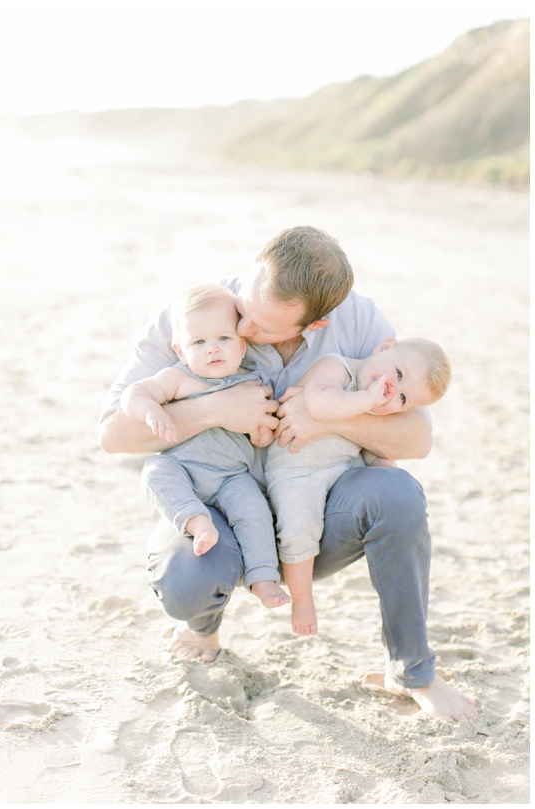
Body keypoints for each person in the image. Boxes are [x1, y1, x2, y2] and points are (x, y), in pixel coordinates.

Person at [98, 225, 476, 724]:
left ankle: (412, 672)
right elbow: (113, 435)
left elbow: (417, 440)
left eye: (263, 325)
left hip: (318, 516)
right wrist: (216, 409)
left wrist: (325, 413)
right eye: (244, 309)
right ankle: (204, 627)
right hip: (219, 509)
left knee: (398, 494)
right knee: (187, 578)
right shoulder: (198, 311)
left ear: (315, 324)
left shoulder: (358, 321)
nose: (245, 327)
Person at [118, 283, 289, 610]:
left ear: (242, 345)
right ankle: (197, 522)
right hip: (184, 469)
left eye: (223, 339)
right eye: (199, 342)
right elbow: (133, 394)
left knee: (254, 511)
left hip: (231, 477)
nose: (213, 349)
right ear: (181, 350)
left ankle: (263, 578)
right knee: (155, 472)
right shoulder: (179, 378)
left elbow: (265, 433)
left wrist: (261, 433)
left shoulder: (252, 382)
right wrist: (151, 409)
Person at [265, 337, 451, 635]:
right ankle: (302, 599)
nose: (392, 390)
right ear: (383, 347)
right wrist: (368, 400)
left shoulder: (377, 402)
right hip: (297, 471)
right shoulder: (336, 366)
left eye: (403, 398)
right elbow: (320, 405)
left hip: (342, 468)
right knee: (300, 529)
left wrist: (381, 459)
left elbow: (368, 439)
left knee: (386, 473)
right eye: (398, 374)